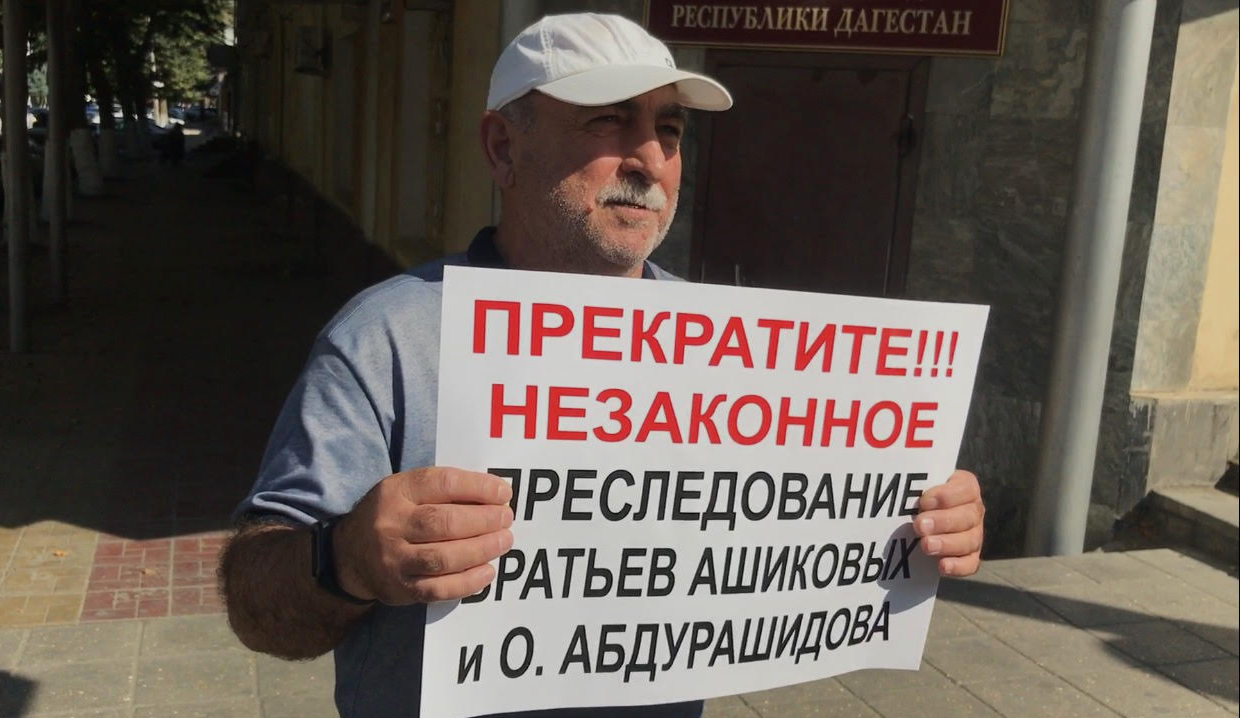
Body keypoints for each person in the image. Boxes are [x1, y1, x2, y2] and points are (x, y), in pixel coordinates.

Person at [220, 13, 986, 718]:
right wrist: (347, 557)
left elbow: (807, 521)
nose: (651, 160)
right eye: (608, 120)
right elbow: (257, 606)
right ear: (503, 147)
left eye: (670, 130)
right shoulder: (390, 336)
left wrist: (924, 522)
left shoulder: (735, 350)